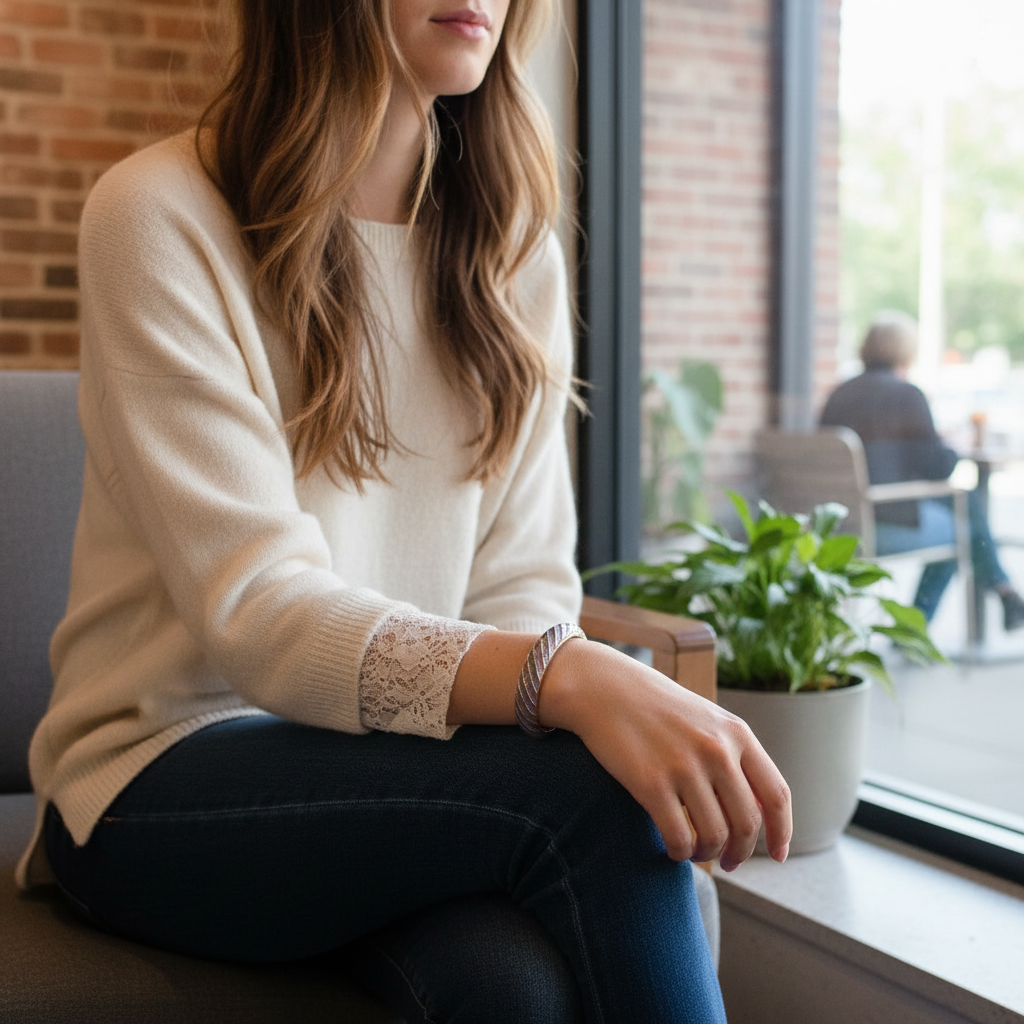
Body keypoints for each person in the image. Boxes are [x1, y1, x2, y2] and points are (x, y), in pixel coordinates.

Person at [16, 3, 792, 1021]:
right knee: (591, 794)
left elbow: (520, 582)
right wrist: (567, 675)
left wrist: (550, 671)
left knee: (508, 989)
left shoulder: (513, 250)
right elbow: (259, 611)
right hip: (153, 778)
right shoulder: (157, 212)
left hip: (397, 772)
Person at [820, 312, 1024, 630]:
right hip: (881, 522)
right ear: (906, 351)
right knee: (963, 527)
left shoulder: (839, 394)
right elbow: (939, 468)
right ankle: (916, 627)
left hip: (837, 521)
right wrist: (953, 446)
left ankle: (1003, 590)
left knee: (964, 502)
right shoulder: (907, 395)